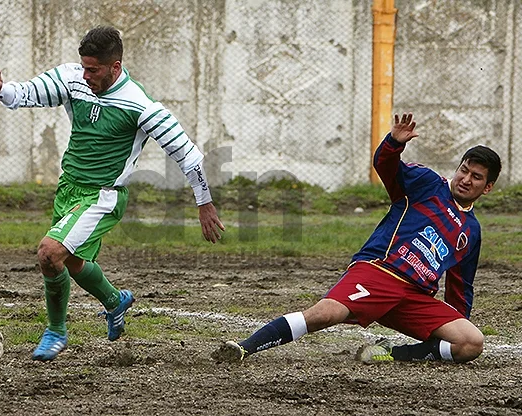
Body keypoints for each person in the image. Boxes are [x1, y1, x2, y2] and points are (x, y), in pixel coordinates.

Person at [0, 26, 225, 362]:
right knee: (75, 261)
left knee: (49, 253)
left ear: (115, 66)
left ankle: (55, 331)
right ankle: (115, 301)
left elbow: (188, 155)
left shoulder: (140, 105)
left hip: (103, 196)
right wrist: (0, 89)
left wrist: (204, 203)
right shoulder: (73, 79)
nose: (86, 75)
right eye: (83, 67)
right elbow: (26, 93)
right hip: (69, 189)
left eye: (93, 69)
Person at [212, 112, 501, 364]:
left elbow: (461, 285)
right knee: (325, 314)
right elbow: (385, 167)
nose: (466, 179)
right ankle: (243, 348)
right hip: (379, 273)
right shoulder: (426, 184)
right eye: (464, 170)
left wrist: (458, 321)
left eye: (476, 177)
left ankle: (393, 353)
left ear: (487, 188)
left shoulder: (471, 231)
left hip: (414, 297)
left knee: (470, 342)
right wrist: (394, 143)